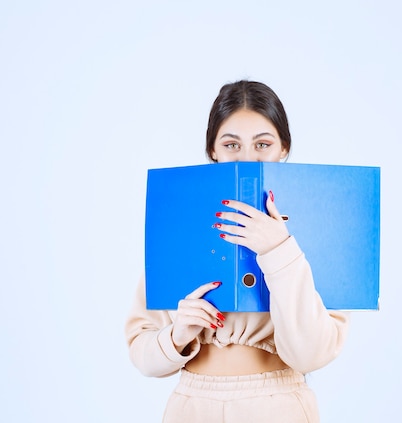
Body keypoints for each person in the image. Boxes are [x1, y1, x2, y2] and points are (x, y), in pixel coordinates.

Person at [125, 80, 349, 422]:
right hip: (193, 404)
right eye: (231, 144)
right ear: (213, 150)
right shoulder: (178, 220)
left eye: (263, 143)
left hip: (279, 404)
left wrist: (279, 249)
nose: (247, 157)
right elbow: (142, 354)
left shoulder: (320, 222)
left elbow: (312, 353)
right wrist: (178, 334)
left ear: (283, 149)